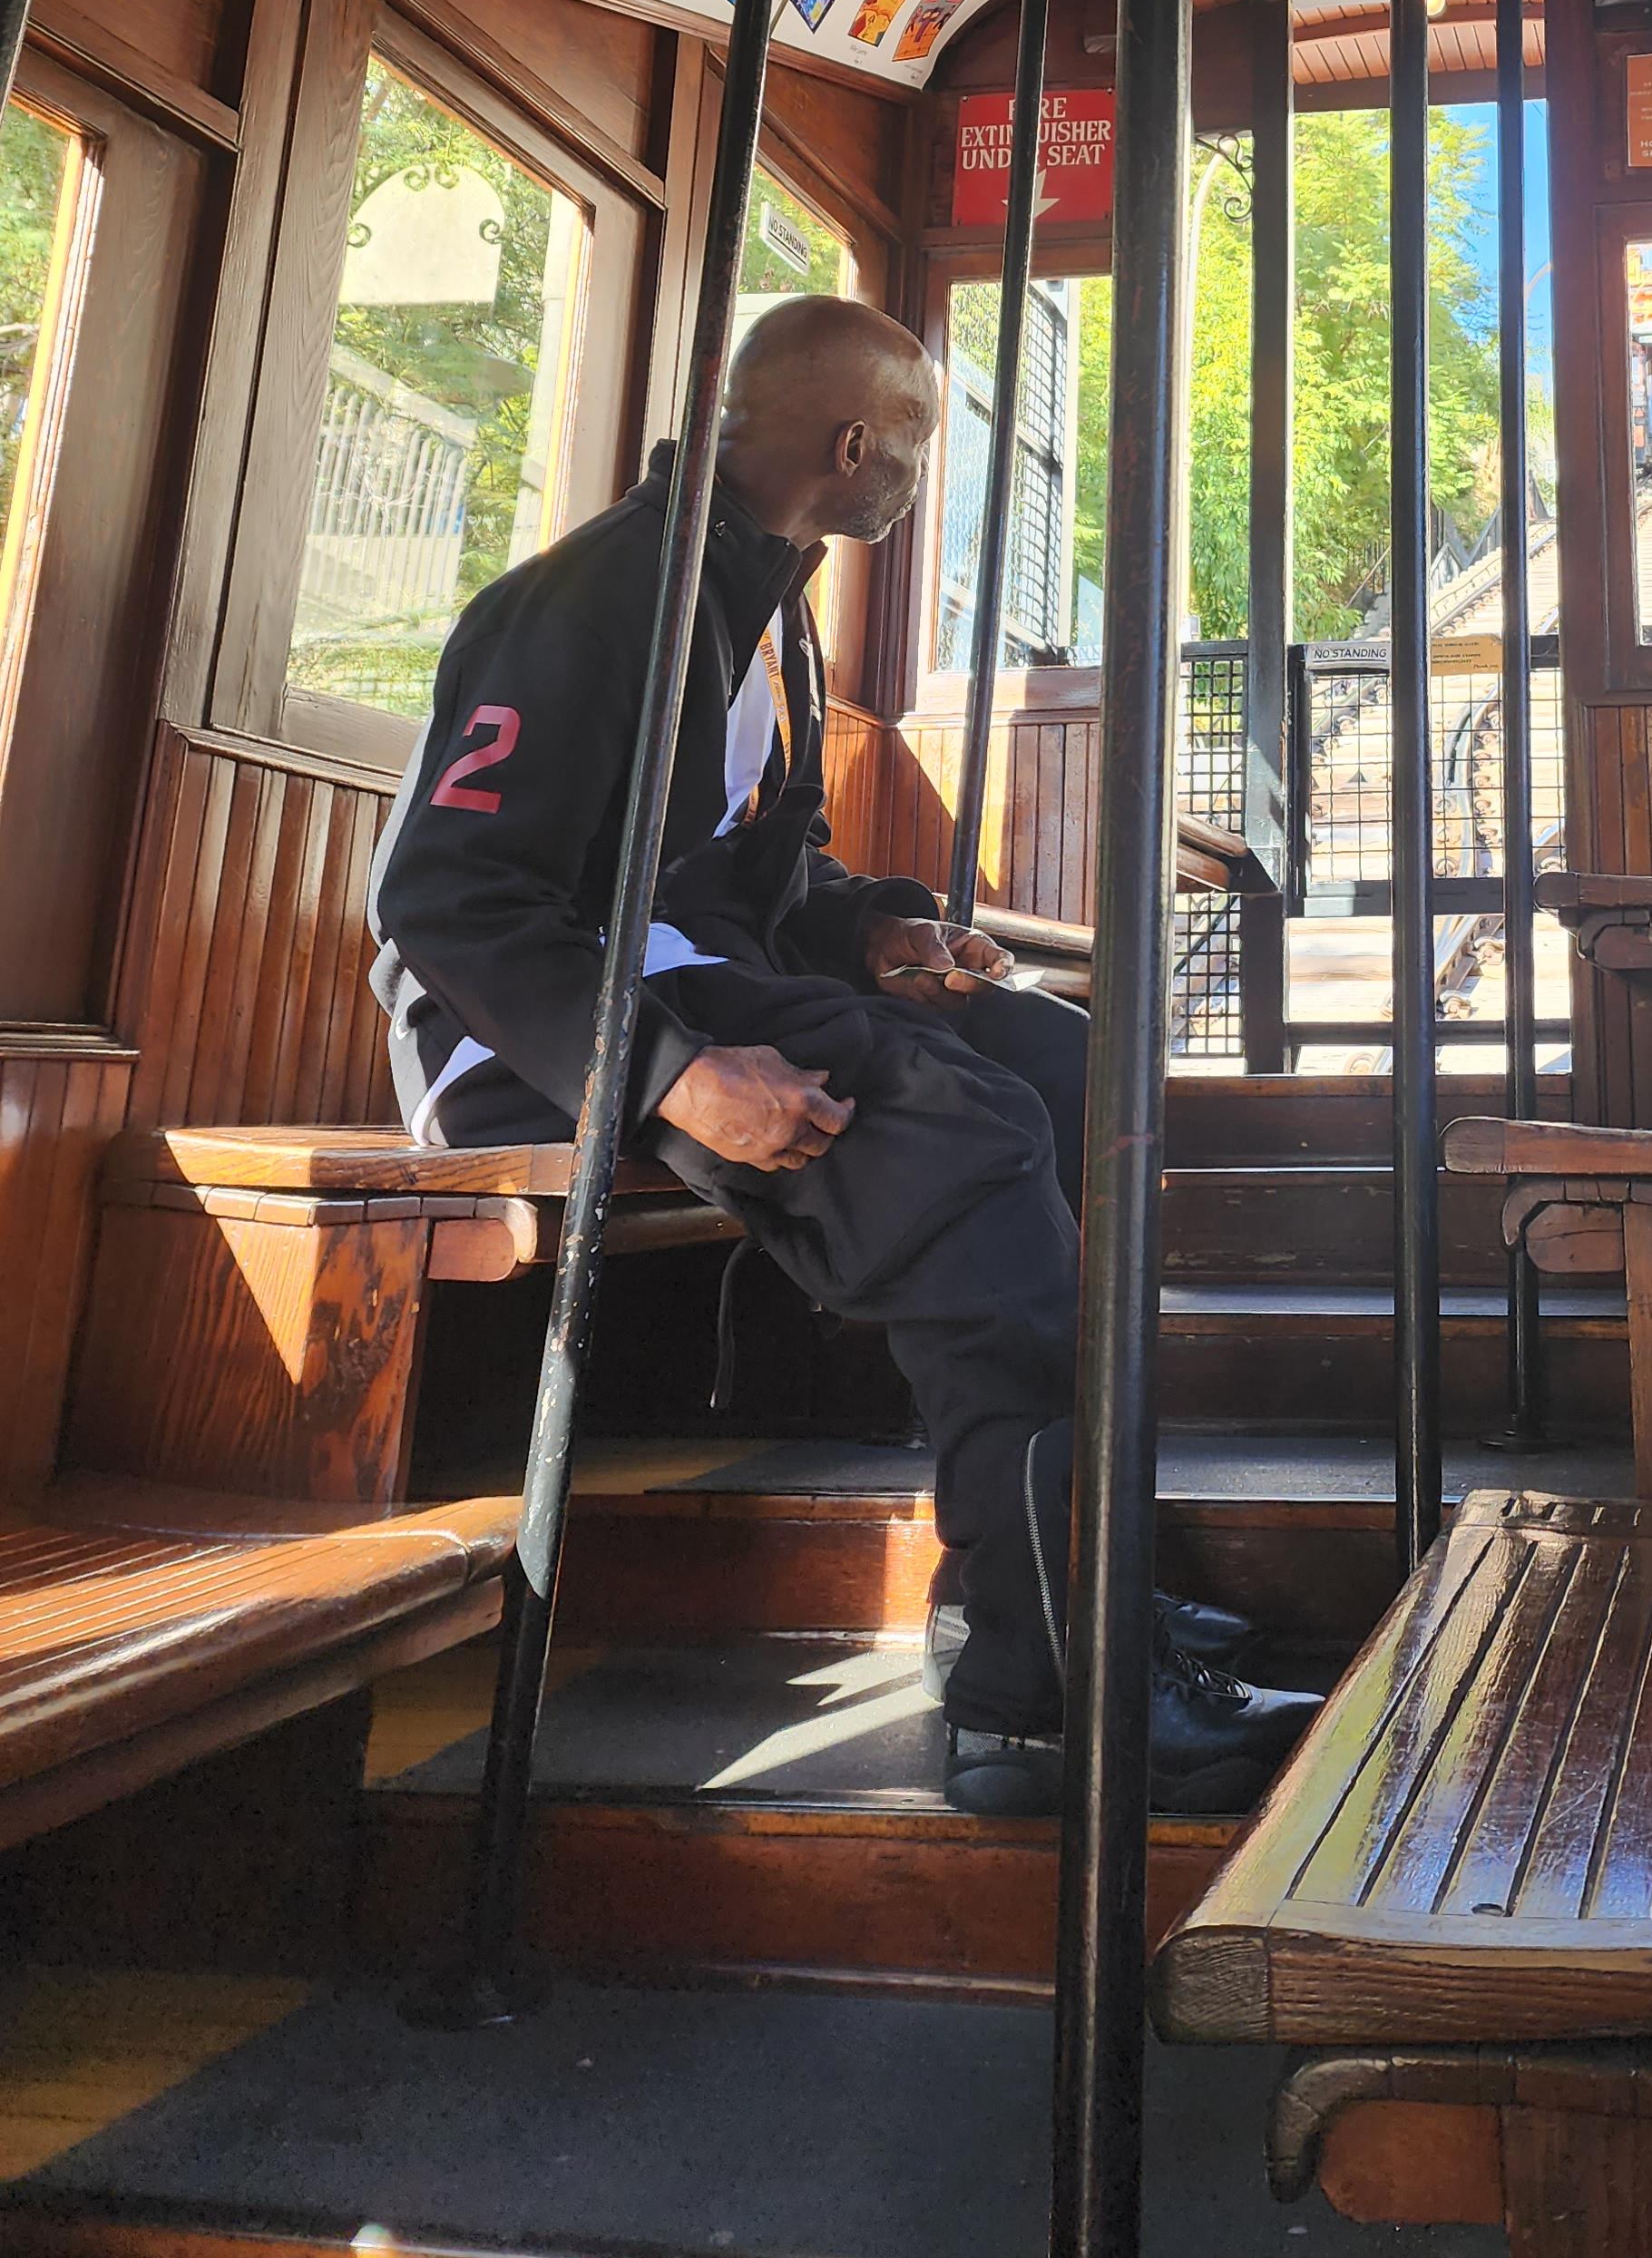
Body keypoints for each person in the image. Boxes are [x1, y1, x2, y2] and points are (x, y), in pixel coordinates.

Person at [368, 292, 1315, 1814]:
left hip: (697, 981)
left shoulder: (767, 607)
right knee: (964, 1139)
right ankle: (1038, 1701)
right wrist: (672, 1071)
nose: (921, 478)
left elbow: (758, 874)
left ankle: (1059, 1582)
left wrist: (880, 931)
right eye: (920, 446)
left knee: (1069, 1076)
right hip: (535, 1032)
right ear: (855, 444)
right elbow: (449, 898)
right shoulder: (605, 593)